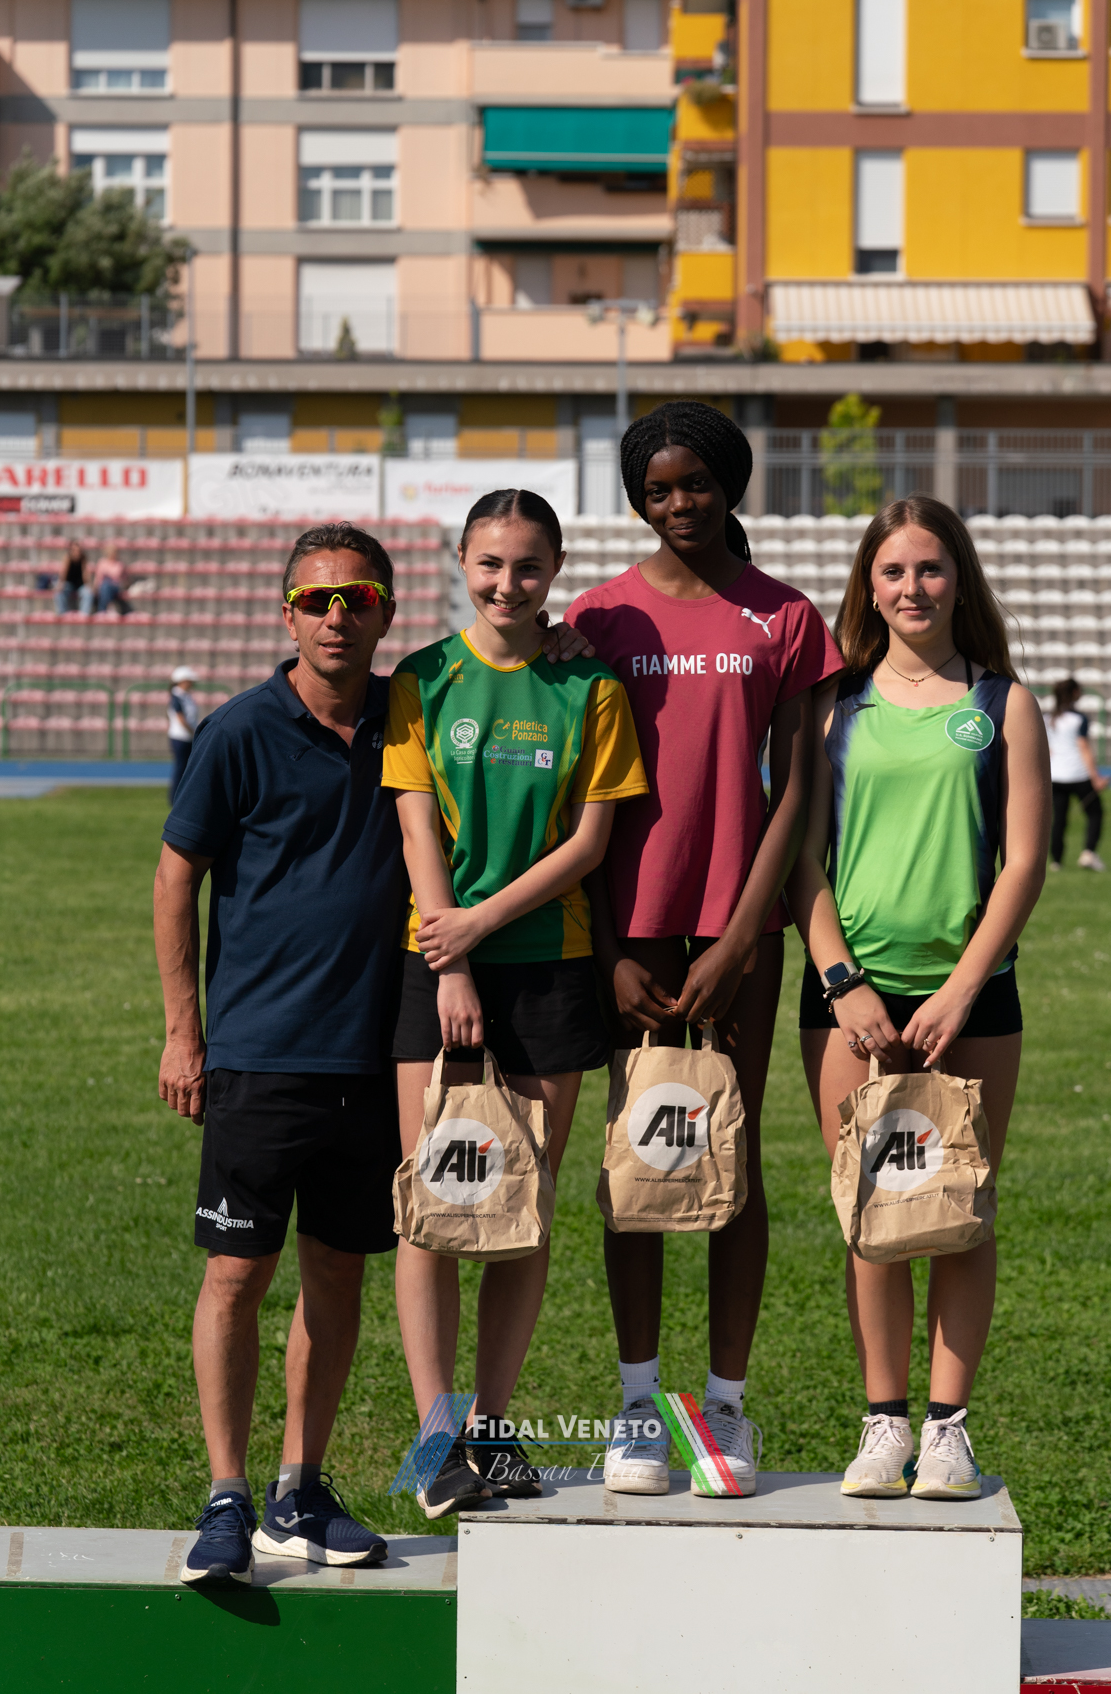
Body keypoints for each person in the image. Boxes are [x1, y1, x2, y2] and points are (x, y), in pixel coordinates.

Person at [565, 402, 843, 1498]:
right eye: (657, 489)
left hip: (743, 928)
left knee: (733, 1154)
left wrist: (739, 937)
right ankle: (638, 1403)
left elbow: (797, 789)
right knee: (637, 1151)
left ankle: (724, 1408)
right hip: (628, 927)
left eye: (695, 483)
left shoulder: (786, 616)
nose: (678, 503)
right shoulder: (597, 617)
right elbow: (579, 797)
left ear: (731, 483)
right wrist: (607, 951)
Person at [383, 488, 648, 1519]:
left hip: (548, 965)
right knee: (432, 1203)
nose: (507, 583)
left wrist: (479, 927)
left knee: (517, 1209)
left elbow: (588, 845)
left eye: (528, 566)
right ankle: (436, 1436)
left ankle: (491, 1428)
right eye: (490, 564)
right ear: (462, 563)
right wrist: (449, 957)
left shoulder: (590, 686)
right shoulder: (423, 679)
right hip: (437, 961)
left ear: (555, 570)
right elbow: (417, 829)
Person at [154, 522, 406, 1586]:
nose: (336, 615)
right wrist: (185, 1030)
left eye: (357, 597)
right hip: (259, 1052)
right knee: (236, 1274)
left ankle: (300, 1489)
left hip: (377, 1055)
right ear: (286, 613)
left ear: (386, 611)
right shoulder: (237, 731)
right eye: (316, 599)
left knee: (338, 1271)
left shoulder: (412, 717)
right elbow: (177, 877)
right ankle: (226, 1493)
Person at [786, 494, 1050, 1502]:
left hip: (971, 997)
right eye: (893, 571)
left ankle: (947, 1430)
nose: (912, 588)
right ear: (869, 583)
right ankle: (883, 1422)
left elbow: (1023, 863)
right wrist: (841, 982)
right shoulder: (833, 706)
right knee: (872, 1210)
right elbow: (800, 860)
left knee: (961, 1211)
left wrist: (961, 989)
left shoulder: (1002, 703)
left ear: (959, 579)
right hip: (852, 1002)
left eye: (930, 568)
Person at [1046, 677, 1110, 872]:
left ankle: (1056, 862)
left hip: (1056, 776)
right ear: (1075, 693)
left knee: (1059, 819)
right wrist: (1096, 777)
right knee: (1095, 813)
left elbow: (1049, 750)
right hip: (1078, 775)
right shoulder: (1078, 718)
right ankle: (1089, 853)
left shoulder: (1049, 718)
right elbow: (1083, 748)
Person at [167, 666, 200, 803]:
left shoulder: (185, 696)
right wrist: (194, 732)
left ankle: (181, 796)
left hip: (186, 737)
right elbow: (180, 718)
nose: (192, 683)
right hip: (181, 737)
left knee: (186, 767)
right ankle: (175, 797)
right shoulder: (177, 696)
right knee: (181, 767)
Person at [56, 539, 93, 614]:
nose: (76, 552)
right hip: (69, 585)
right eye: (74, 550)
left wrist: (89, 585)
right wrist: (60, 585)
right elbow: (63, 574)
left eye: (78, 550)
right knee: (59, 593)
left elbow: (86, 577)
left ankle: (84, 615)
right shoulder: (68, 558)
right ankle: (62, 615)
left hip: (80, 586)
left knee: (88, 593)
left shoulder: (83, 559)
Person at [94, 545, 131, 614]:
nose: (112, 554)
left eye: (114, 552)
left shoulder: (120, 564)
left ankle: (102, 611)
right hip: (103, 587)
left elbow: (125, 579)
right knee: (105, 587)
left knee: (106, 586)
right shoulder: (102, 563)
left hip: (116, 587)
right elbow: (98, 578)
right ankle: (108, 607)